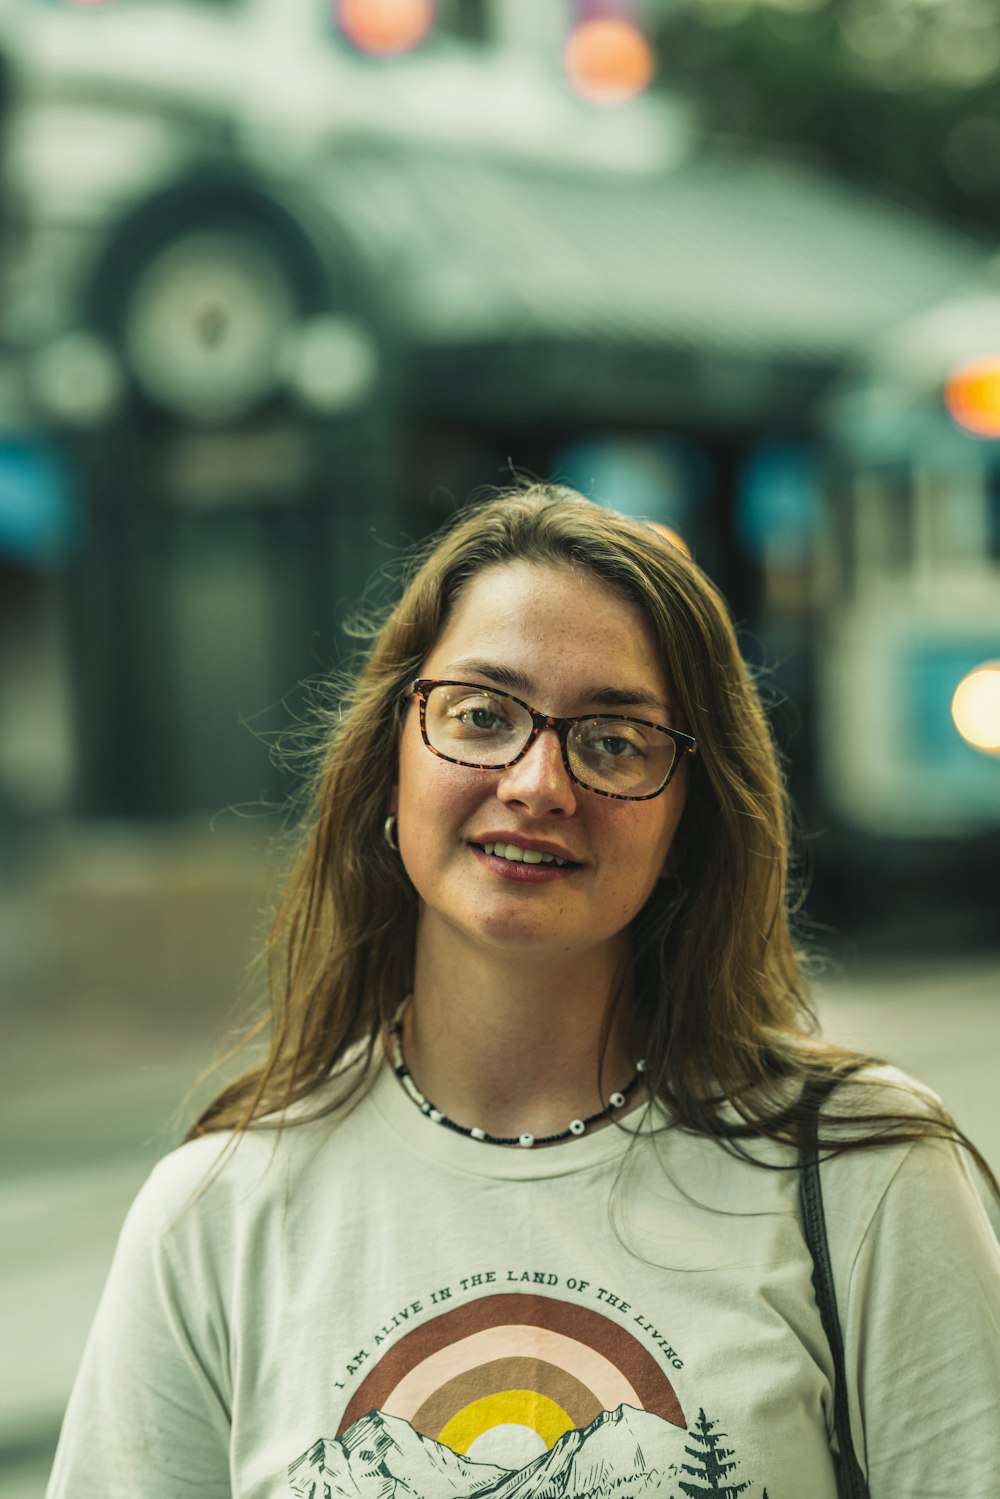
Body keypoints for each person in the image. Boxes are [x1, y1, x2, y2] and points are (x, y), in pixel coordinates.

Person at [48, 485, 1000, 1499]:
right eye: (481, 714)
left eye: (612, 739)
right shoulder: (216, 1212)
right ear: (389, 763)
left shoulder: (864, 1172)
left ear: (689, 817)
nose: (538, 780)